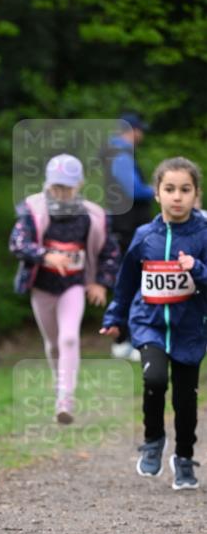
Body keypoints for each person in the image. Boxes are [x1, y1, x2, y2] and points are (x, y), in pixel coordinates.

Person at [100, 156, 207, 490]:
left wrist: (197, 269)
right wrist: (115, 316)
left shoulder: (204, 235)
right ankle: (153, 440)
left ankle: (184, 457)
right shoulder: (145, 235)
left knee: (186, 399)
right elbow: (127, 280)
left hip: (190, 329)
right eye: (170, 189)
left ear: (196, 195)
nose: (177, 197)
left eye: (185, 190)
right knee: (156, 379)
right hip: (149, 324)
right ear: (157, 194)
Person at [9, 153, 120, 423]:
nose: (61, 193)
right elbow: (17, 243)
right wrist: (46, 255)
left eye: (67, 187)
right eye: (56, 187)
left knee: (69, 338)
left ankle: (65, 398)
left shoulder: (92, 216)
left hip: (73, 285)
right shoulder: (34, 210)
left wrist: (100, 283)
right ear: (48, 184)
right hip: (43, 287)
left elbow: (110, 252)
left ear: (79, 185)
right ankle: (59, 380)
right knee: (53, 343)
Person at [103, 113, 156, 360]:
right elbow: (133, 190)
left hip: (123, 229)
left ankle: (124, 340)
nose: (141, 136)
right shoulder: (121, 156)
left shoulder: (114, 154)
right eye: (139, 130)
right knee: (133, 284)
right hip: (128, 231)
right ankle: (128, 341)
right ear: (130, 131)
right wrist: (160, 190)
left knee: (127, 283)